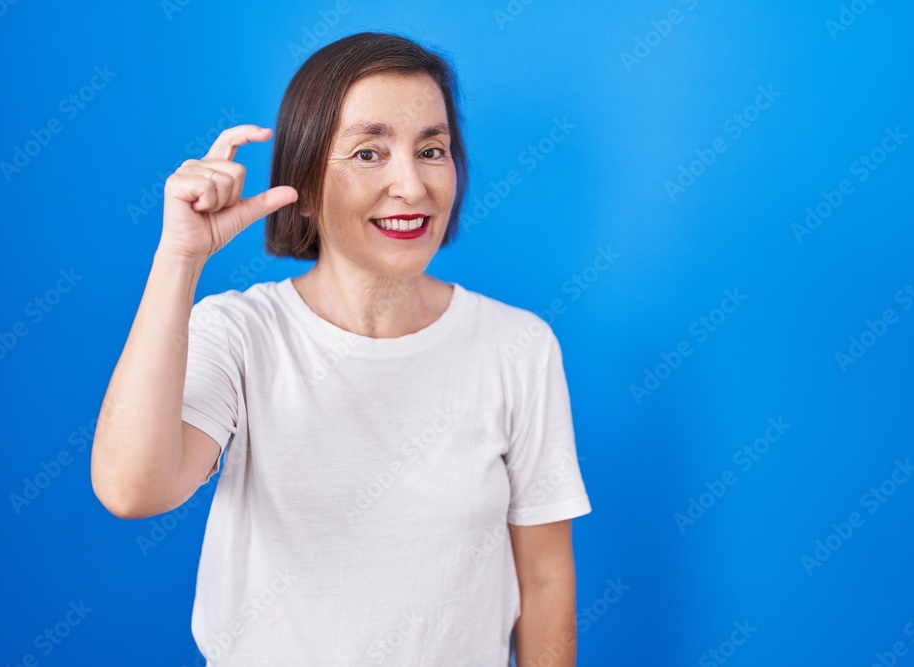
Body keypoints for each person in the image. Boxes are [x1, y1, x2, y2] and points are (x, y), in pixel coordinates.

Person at [91, 31, 591, 666]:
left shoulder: (517, 347)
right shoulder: (242, 334)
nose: (411, 185)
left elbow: (546, 580)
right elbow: (133, 490)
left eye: (431, 149)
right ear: (304, 177)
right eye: (369, 152)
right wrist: (179, 259)